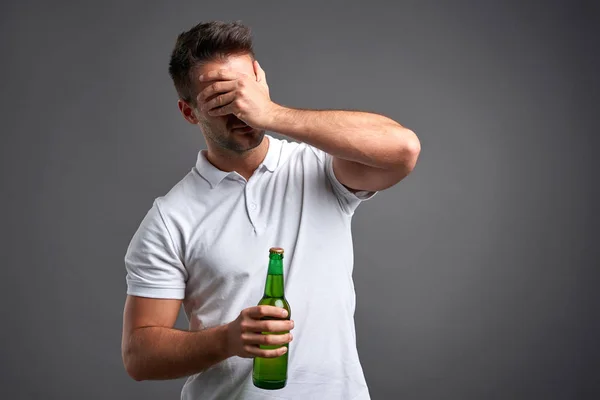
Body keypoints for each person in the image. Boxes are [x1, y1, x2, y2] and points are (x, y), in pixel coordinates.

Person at [121, 20, 421, 400]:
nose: (240, 111)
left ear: (261, 84)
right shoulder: (170, 218)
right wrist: (226, 340)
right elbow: (139, 356)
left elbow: (403, 149)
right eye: (219, 100)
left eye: (244, 92)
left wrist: (272, 114)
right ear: (189, 112)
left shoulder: (320, 168)